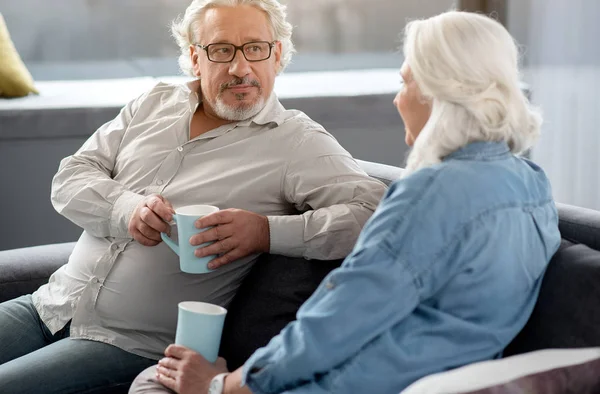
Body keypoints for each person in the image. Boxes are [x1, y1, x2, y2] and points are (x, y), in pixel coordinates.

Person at [129, 10, 562, 394]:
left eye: (406, 83)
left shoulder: (431, 194)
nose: (398, 99)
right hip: (445, 374)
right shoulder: (532, 185)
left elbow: (338, 322)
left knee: (153, 382)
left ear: (439, 94)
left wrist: (226, 385)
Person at [0, 0, 387, 392]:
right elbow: (70, 176)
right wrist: (126, 208)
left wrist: (265, 232)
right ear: (195, 58)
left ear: (278, 54)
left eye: (255, 48)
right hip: (50, 304)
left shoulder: (296, 142)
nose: (241, 68)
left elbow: (375, 214)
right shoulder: (154, 103)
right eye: (222, 50)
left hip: (128, 346)